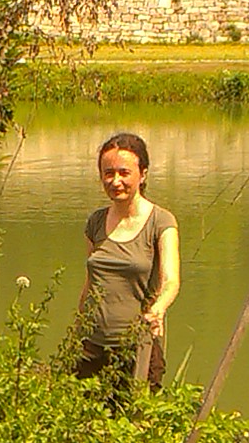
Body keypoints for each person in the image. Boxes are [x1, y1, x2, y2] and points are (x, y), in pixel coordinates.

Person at [74, 131, 179, 389]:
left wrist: (158, 309)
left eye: (124, 173)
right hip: (92, 346)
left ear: (142, 174)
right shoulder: (95, 222)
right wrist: (76, 330)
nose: (115, 181)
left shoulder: (161, 222)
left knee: (136, 423)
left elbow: (171, 281)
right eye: (108, 173)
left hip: (137, 347)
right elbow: (91, 281)